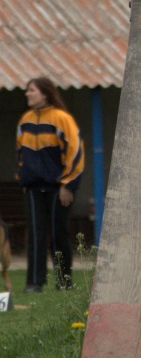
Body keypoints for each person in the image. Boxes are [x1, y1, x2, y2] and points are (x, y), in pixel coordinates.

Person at [16, 77, 85, 292]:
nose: (27, 94)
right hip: (33, 188)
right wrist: (23, 178)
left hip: (58, 188)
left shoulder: (61, 119)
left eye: (31, 90)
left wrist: (68, 185)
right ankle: (34, 283)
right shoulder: (25, 120)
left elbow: (76, 153)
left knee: (58, 235)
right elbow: (20, 153)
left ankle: (64, 282)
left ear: (45, 93)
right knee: (36, 235)